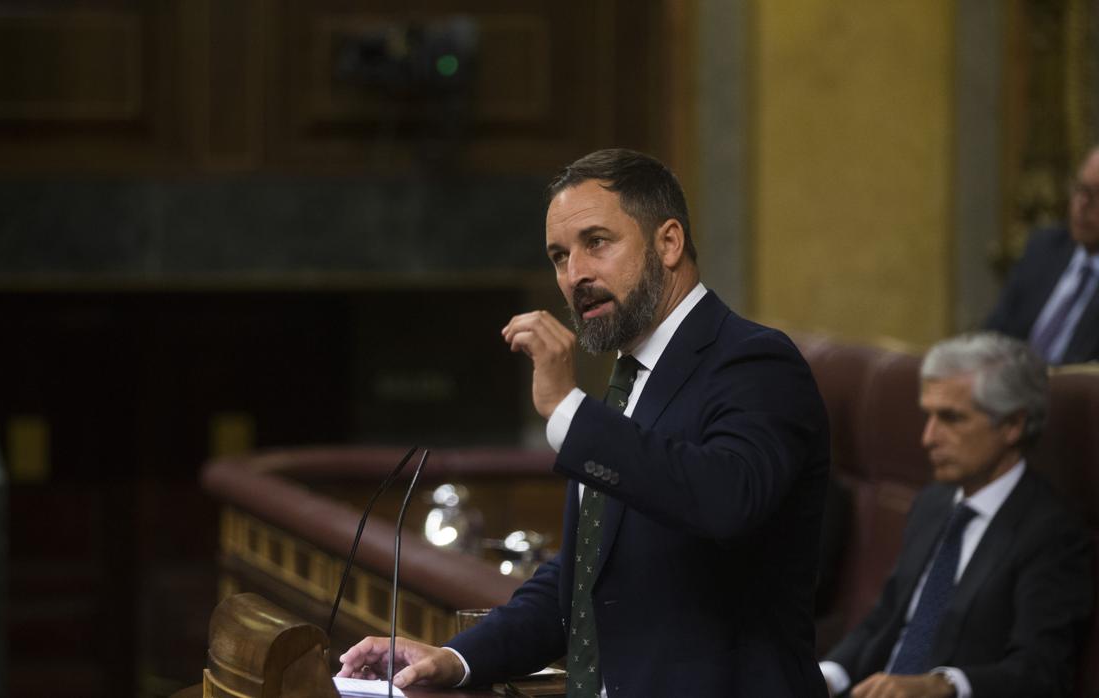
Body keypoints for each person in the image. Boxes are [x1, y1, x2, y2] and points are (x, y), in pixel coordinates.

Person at [337, 148, 831, 696]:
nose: (575, 275)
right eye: (558, 256)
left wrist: (568, 409)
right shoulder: (630, 380)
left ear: (668, 243)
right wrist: (457, 658)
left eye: (596, 243)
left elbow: (726, 499)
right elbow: (582, 579)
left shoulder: (754, 361)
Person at [820, 332, 1092, 698]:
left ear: (1012, 425)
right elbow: (884, 619)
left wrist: (943, 685)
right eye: (927, 416)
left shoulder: (1050, 533)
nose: (928, 438)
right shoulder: (931, 504)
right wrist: (826, 674)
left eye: (951, 419)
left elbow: (1041, 670)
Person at [985, 146, 1099, 363]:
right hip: (1007, 388)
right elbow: (995, 333)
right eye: (1080, 189)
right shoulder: (1045, 247)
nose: (1083, 205)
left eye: (1097, 195)